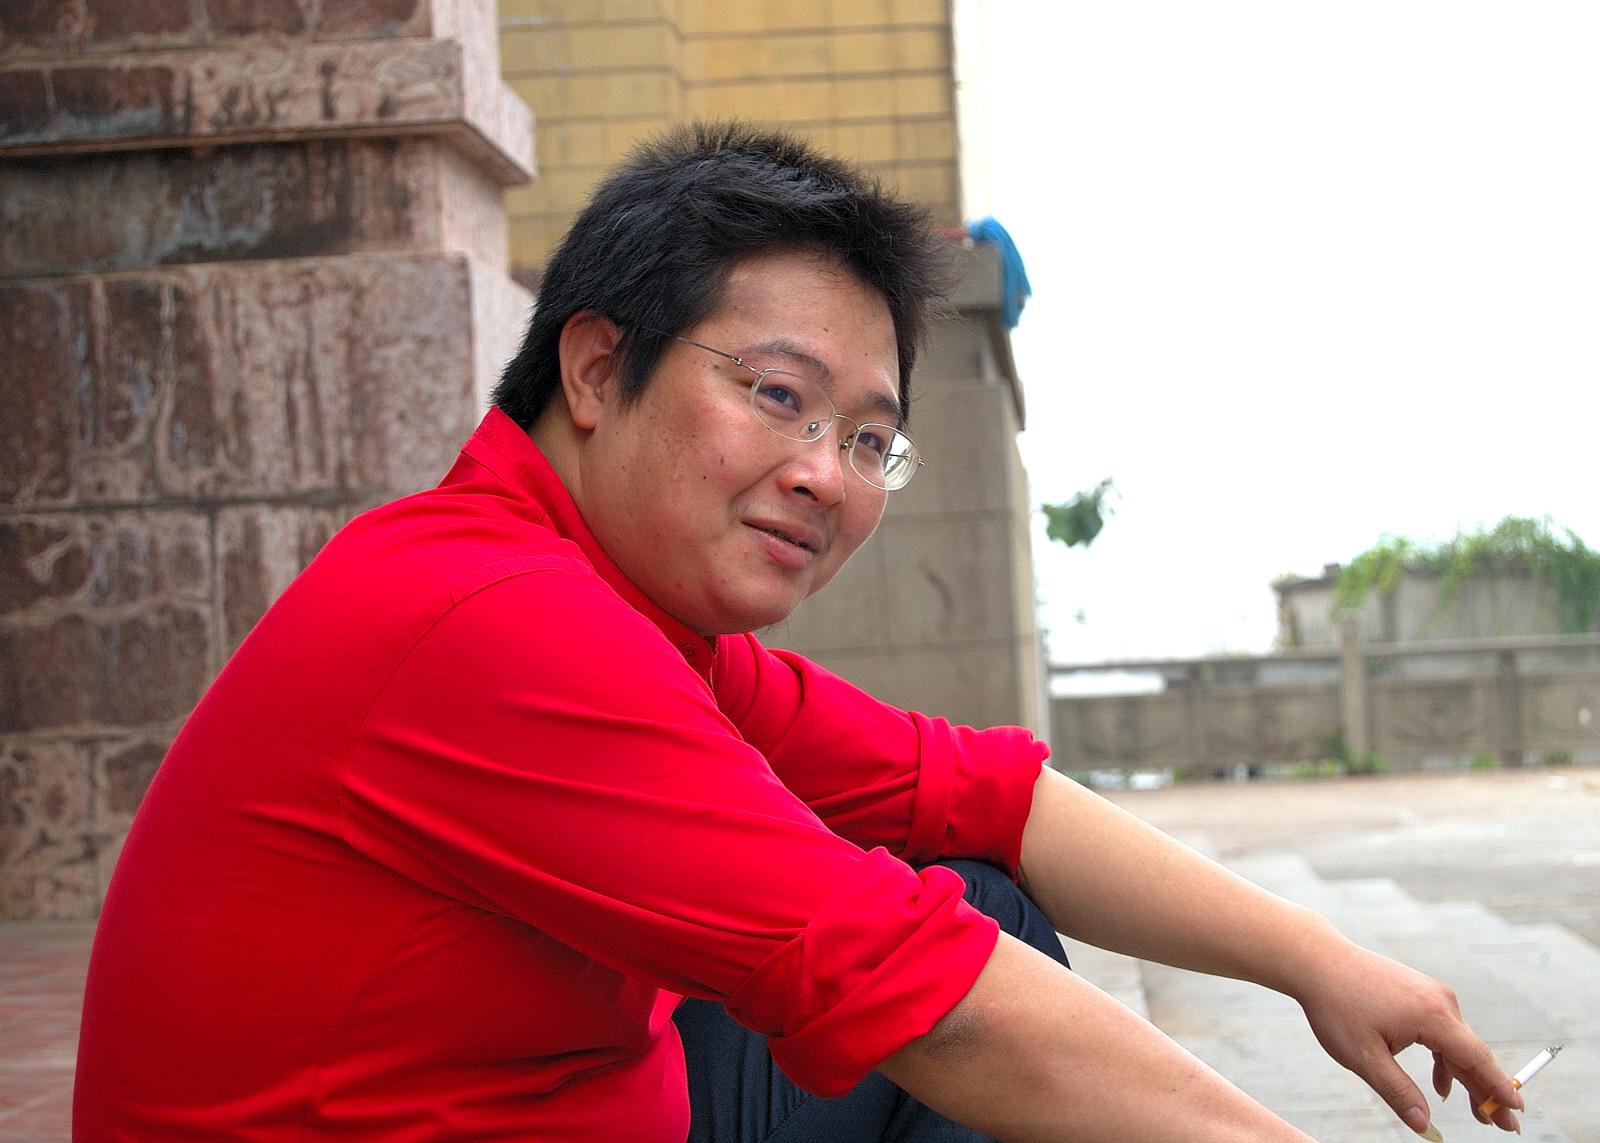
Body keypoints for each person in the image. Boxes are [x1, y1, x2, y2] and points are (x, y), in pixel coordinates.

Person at [74, 122, 1524, 1143]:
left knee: (981, 898)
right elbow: (919, 996)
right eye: (779, 397)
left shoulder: (633, 620)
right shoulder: (489, 622)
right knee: (950, 986)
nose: (827, 475)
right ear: (598, 368)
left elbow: (979, 793)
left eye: (870, 439)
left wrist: (1317, 960)